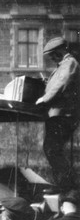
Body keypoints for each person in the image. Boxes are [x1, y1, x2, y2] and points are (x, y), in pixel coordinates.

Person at [37, 37, 80, 190]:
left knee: (52, 149)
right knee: (52, 149)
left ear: (61, 51)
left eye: (53, 55)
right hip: (58, 115)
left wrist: (44, 99)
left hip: (62, 116)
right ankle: (64, 185)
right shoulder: (63, 65)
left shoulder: (70, 63)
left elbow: (62, 84)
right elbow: (58, 82)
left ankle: (67, 185)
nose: (52, 59)